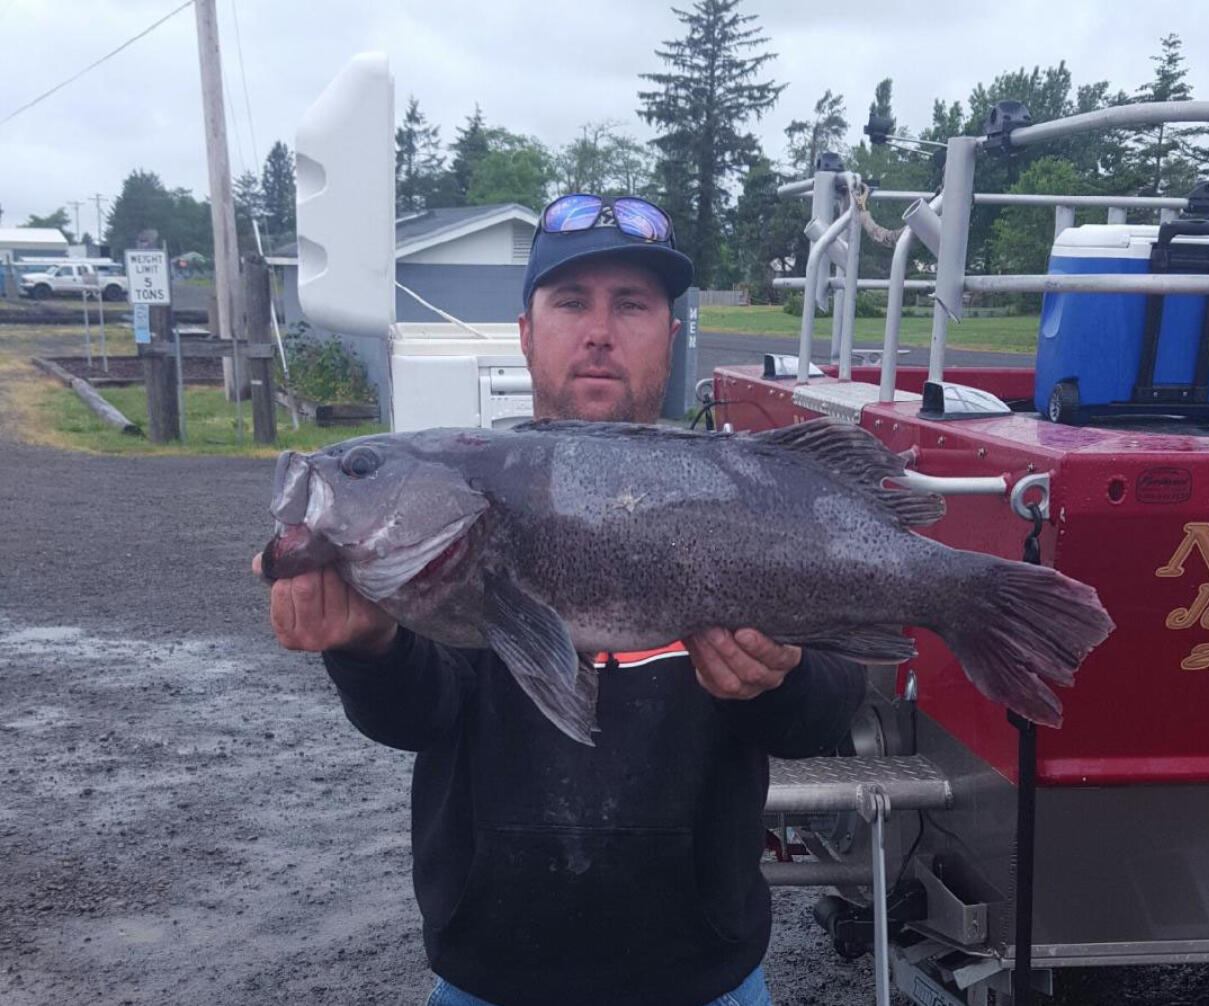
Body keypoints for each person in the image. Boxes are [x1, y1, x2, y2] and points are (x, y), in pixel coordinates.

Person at [255, 193, 865, 1006]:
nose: (600, 331)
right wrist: (366, 648)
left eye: (633, 305)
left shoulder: (743, 485)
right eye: (571, 301)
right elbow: (419, 719)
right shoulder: (459, 515)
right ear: (525, 332)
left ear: (672, 337)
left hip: (705, 978)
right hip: (491, 979)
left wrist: (779, 677)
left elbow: (822, 720)